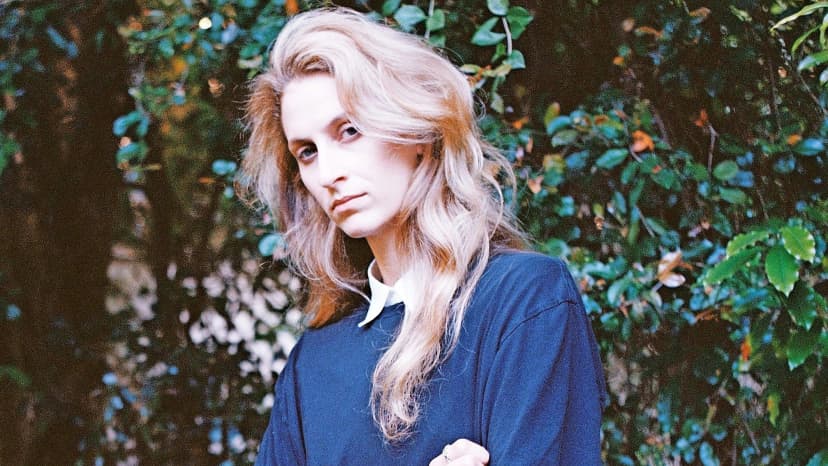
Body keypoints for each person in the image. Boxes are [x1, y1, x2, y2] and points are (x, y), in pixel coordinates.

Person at [241, 7, 606, 465]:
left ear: (415, 130)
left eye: (349, 130)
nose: (329, 173)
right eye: (308, 152)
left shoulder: (525, 300)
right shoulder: (312, 365)